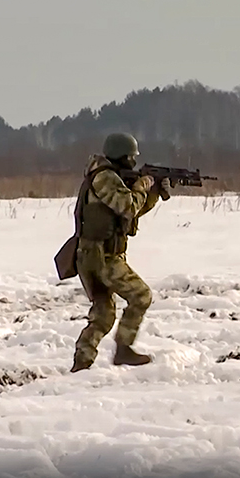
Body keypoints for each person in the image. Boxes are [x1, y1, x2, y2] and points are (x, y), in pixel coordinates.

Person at [70, 133, 169, 372]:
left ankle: (81, 364)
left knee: (103, 315)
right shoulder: (105, 178)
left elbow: (131, 212)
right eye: (130, 157)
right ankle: (123, 350)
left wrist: (153, 191)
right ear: (121, 156)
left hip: (95, 255)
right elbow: (127, 206)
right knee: (141, 295)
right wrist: (141, 187)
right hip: (101, 257)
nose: (133, 162)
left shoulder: (108, 176)